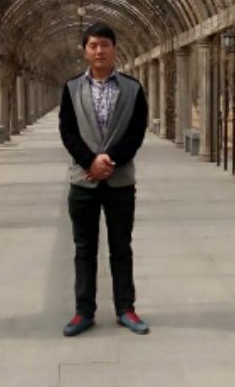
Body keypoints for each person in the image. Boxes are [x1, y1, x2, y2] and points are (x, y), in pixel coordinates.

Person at [58, 22, 149, 336]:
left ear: (114, 48)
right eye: (93, 45)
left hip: (120, 181)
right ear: (85, 50)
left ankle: (126, 308)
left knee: (121, 247)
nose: (99, 51)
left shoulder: (132, 88)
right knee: (84, 249)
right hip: (83, 181)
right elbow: (67, 130)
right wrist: (90, 161)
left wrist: (110, 160)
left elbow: (137, 131)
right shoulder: (71, 88)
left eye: (105, 45)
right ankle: (84, 311)